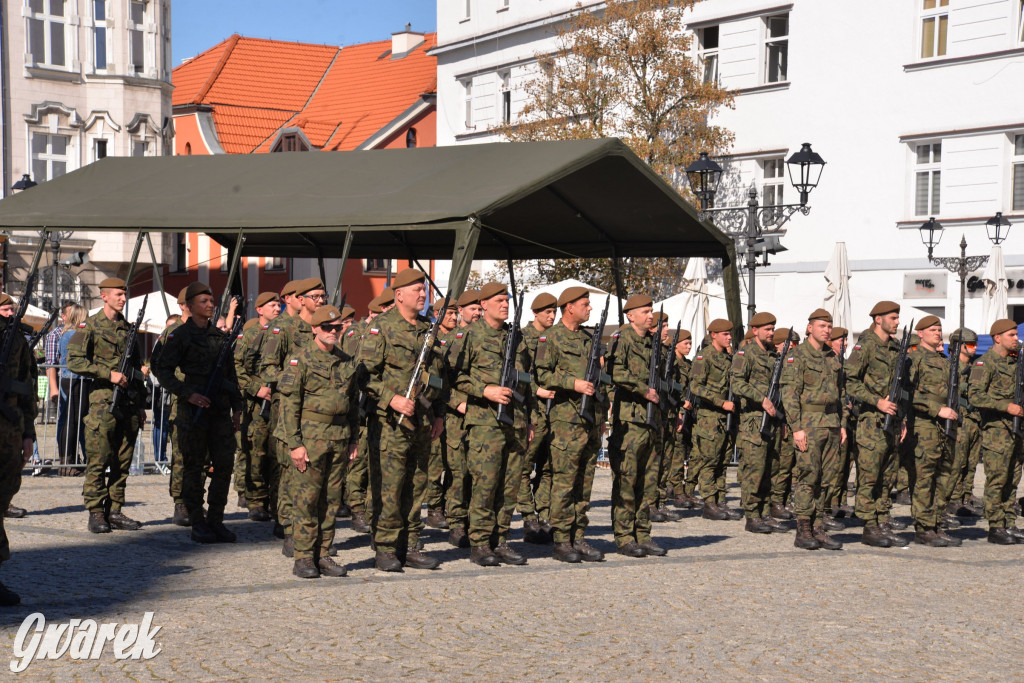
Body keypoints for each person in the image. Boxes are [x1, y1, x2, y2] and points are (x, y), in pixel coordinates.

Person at [360, 268, 446, 572]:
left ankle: (409, 544)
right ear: (399, 295)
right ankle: (385, 546)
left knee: (417, 482)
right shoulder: (381, 328)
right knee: (389, 486)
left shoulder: (429, 328)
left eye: (424, 290)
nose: (423, 295)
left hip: (422, 420)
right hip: (390, 423)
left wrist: (439, 414)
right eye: (417, 290)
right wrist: (391, 398)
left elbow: (439, 377)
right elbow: (364, 375)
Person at [151, 282, 243, 544]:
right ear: (190, 306)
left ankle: (216, 520)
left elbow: (231, 376)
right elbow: (163, 369)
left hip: (219, 411)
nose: (210, 305)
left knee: (224, 466)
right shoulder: (180, 336)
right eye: (203, 301)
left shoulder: (220, 337)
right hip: (192, 412)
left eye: (211, 300)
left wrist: (237, 408)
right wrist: (187, 393)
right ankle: (197, 521)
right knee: (193, 468)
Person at [453, 282, 532, 566]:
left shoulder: (517, 337)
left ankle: (501, 540)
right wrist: (484, 390)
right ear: (483, 304)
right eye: (499, 300)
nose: (505, 304)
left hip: (516, 422)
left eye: (506, 300)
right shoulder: (469, 336)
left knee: (509, 487)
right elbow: (453, 376)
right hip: (485, 423)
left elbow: (527, 381)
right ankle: (480, 543)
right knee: (485, 486)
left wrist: (530, 420)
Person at [277, 305, 359, 578]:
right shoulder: (299, 359)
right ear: (314, 329)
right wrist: (295, 444)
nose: (334, 332)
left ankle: (323, 553)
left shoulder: (346, 361)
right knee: (306, 500)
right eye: (327, 327)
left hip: (339, 438)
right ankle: (303, 557)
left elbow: (353, 405)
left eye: (337, 327)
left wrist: (353, 440)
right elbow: (289, 406)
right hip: (311, 439)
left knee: (332, 501)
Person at [66, 278, 147, 534]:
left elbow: (136, 367)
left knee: (123, 460)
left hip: (129, 403)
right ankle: (96, 512)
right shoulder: (89, 325)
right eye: (118, 295)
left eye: (125, 294)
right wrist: (107, 373)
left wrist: (142, 404)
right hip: (103, 402)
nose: (123, 299)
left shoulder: (128, 328)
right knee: (98, 459)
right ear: (104, 296)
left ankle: (115, 510)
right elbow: (74, 361)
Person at [534, 286, 605, 563]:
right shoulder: (549, 338)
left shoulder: (589, 340)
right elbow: (542, 373)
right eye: (585, 304)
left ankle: (579, 536)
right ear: (569, 307)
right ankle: (562, 539)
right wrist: (571, 383)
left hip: (590, 419)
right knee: (564, 482)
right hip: (566, 421)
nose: (589, 308)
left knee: (585, 482)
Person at [260, 278, 326, 555]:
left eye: (322, 296)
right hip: (289, 408)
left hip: (319, 412)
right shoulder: (283, 328)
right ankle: (288, 527)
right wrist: (298, 380)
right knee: (289, 469)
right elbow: (268, 369)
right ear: (300, 298)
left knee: (315, 470)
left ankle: (312, 530)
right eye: (315, 296)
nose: (320, 301)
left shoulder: (323, 328)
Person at [605, 294, 667, 556]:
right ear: (630, 315)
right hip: (630, 420)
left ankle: (643, 533)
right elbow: (613, 371)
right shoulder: (622, 338)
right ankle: (624, 537)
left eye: (651, 311)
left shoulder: (652, 343)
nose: (650, 315)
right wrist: (642, 390)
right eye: (644, 311)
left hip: (652, 420)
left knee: (648, 481)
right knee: (627, 480)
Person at [780, 308, 845, 551]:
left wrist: (843, 424)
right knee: (809, 476)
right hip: (808, 423)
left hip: (831, 424)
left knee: (828, 479)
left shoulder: (832, 357)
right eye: (822, 326)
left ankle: (819, 527)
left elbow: (842, 394)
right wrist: (796, 428)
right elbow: (789, 394)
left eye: (829, 327)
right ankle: (803, 528)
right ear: (810, 328)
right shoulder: (797, 356)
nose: (827, 330)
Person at [845, 301, 909, 547]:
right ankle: (869, 526)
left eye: (897, 317)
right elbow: (849, 381)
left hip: (892, 422)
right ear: (878, 319)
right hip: (871, 422)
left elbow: (900, 388)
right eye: (893, 317)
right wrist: (876, 402)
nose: (897, 322)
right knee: (870, 477)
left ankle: (882, 520)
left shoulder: (895, 348)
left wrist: (900, 417)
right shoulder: (865, 346)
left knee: (888, 476)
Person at [730, 311, 788, 534]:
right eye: (768, 329)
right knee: (754, 469)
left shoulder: (773, 355)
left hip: (772, 420)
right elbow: (737, 384)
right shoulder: (745, 353)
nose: (772, 333)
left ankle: (764, 512)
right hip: (753, 420)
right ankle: (752, 515)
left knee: (770, 468)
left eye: (773, 329)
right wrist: (761, 398)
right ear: (755, 330)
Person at [967, 318, 1024, 545]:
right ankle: (996, 526)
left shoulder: (1015, 363)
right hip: (997, 431)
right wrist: (1005, 406)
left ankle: (1009, 523)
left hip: (1016, 430)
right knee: (997, 480)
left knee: (1013, 479)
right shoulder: (985, 363)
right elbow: (975, 396)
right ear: (997, 337)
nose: (1016, 339)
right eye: (1011, 335)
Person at [905, 316, 961, 547]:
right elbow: (908, 393)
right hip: (924, 425)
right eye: (933, 329)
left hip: (946, 424)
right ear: (920, 333)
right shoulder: (913, 359)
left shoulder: (945, 361)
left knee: (945, 475)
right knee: (924, 478)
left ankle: (937, 523)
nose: (938, 333)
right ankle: (924, 528)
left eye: (939, 329)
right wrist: (937, 409)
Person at [345, 288, 394, 535]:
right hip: (363, 403)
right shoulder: (359, 333)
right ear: (382, 309)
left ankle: (371, 509)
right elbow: (359, 369)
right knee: (360, 459)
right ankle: (356, 507)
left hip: (380, 405)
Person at [0, 295, 38, 605]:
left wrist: (28, 433)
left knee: (3, 496)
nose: (10, 313)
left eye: (13, 309)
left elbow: (27, 387)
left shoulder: (17, 341)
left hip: (9, 431)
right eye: (5, 309)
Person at [233, 292, 280, 521]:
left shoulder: (282, 333)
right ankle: (256, 501)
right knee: (257, 453)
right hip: (257, 405)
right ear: (259, 309)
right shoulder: (249, 335)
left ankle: (274, 501)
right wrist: (256, 388)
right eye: (272, 305)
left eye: (278, 304)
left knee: (276, 455)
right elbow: (236, 368)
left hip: (280, 404)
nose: (277, 308)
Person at [689, 318, 741, 521]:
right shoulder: (705, 357)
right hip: (710, 418)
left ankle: (720, 501)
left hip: (727, 417)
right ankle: (709, 503)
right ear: (714, 335)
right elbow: (695, 387)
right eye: (725, 334)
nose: (729, 337)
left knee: (722, 461)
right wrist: (720, 403)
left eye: (730, 334)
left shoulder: (729, 358)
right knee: (709, 462)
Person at [443, 288, 481, 546]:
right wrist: (458, 404)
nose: (477, 313)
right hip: (458, 418)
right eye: (473, 309)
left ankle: (475, 522)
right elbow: (441, 381)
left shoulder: (485, 338)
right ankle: (456, 523)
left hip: (484, 418)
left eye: (480, 308)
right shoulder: (453, 340)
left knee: (480, 472)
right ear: (461, 312)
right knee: (458, 472)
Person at [518, 292, 557, 544]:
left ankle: (544, 515)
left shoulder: (555, 337)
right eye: (547, 312)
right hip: (532, 411)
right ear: (535, 313)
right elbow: (517, 374)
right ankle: (528, 517)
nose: (552, 316)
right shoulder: (522, 338)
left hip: (554, 411)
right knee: (523, 467)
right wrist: (537, 390)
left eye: (554, 312)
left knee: (547, 468)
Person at [941, 328, 983, 519]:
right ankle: (954, 499)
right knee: (957, 462)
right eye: (971, 345)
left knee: (971, 462)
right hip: (959, 420)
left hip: (974, 420)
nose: (974, 348)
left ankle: (966, 495)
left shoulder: (974, 367)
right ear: (959, 347)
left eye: (975, 344)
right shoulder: (949, 368)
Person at [423, 297, 457, 530]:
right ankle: (434, 508)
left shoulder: (460, 338)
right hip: (433, 404)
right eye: (450, 314)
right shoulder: (430, 339)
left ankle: (448, 505)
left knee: (453, 462)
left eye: (456, 314)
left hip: (450, 408)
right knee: (435, 461)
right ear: (437, 314)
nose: (454, 317)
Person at [770, 328, 800, 518]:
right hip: (779, 420)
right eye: (790, 344)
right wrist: (781, 421)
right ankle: (776, 501)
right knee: (781, 464)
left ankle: (784, 500)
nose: (793, 348)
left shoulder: (793, 364)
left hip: (793, 420)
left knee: (791, 465)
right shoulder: (775, 364)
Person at [662, 329, 694, 508]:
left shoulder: (687, 365)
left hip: (688, 412)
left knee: (681, 452)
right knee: (677, 453)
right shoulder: (672, 364)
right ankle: (677, 491)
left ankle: (676, 489)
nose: (688, 346)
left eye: (690, 343)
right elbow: (673, 390)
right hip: (677, 411)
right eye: (685, 343)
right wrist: (680, 409)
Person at [56, 304, 89, 475]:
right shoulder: (74, 334)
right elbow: (79, 356)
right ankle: (67, 462)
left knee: (72, 421)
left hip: (72, 379)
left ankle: (69, 461)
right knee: (72, 422)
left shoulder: (67, 334)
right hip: (75, 379)